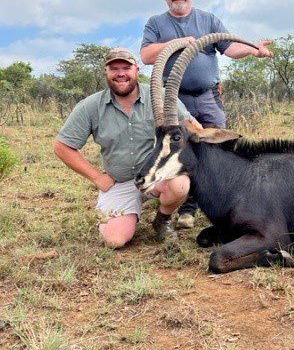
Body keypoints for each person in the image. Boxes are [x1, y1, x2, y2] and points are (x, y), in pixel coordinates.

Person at [140, 0, 273, 228]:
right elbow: (146, 56)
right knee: (183, 150)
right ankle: (187, 207)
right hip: (175, 100)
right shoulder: (156, 23)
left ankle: (224, 200)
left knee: (218, 147)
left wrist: (254, 50)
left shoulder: (209, 19)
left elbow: (230, 48)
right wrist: (179, 42)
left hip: (208, 96)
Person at [54, 48, 197, 248]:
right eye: (114, 68)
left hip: (156, 177)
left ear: (136, 70)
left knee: (180, 183)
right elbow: (62, 147)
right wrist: (97, 177)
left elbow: (191, 127)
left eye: (126, 67)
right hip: (119, 182)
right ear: (106, 72)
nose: (120, 73)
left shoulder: (159, 95)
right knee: (115, 240)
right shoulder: (90, 106)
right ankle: (126, 213)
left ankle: (162, 219)